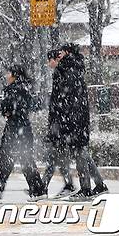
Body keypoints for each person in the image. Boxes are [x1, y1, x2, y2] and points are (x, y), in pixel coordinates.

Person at [50, 43, 108, 201]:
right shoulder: (72, 67)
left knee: (80, 154)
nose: (58, 55)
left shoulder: (69, 69)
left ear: (67, 53)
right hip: (76, 119)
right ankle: (100, 185)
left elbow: (68, 98)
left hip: (75, 120)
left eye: (60, 52)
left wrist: (67, 121)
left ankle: (86, 190)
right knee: (82, 153)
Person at [0, 65, 47, 202]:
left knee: (7, 161)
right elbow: (26, 106)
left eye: (9, 74)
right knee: (25, 160)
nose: (7, 76)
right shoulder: (25, 88)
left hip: (15, 130)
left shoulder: (14, 90)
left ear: (15, 75)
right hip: (23, 129)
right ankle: (37, 190)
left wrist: (6, 109)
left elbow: (8, 107)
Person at [42, 49, 76, 197]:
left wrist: (56, 124)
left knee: (54, 157)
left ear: (56, 60)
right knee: (58, 158)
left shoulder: (60, 74)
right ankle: (67, 184)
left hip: (60, 124)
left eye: (50, 60)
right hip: (60, 123)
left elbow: (59, 102)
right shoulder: (62, 73)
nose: (48, 63)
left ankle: (42, 188)